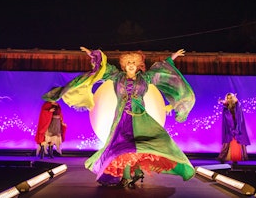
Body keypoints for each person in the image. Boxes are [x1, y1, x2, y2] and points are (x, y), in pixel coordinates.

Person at [42, 47, 196, 188]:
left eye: (133, 62)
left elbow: (162, 72)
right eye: (128, 62)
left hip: (141, 118)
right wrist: (93, 55)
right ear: (123, 65)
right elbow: (103, 66)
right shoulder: (117, 76)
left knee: (146, 145)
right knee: (123, 148)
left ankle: (136, 172)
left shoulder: (145, 78)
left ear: (137, 65)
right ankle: (128, 175)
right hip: (122, 119)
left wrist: (172, 58)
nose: (130, 64)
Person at [216, 93, 250, 163]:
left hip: (237, 127)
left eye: (230, 98)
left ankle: (235, 159)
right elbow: (227, 118)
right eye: (227, 98)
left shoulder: (237, 106)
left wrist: (236, 128)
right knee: (228, 142)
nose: (229, 99)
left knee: (237, 142)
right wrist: (225, 104)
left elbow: (239, 116)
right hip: (229, 128)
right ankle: (224, 158)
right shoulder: (226, 107)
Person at [35, 92, 67, 159]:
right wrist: (49, 111)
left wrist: (62, 122)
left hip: (57, 123)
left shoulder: (57, 104)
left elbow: (60, 114)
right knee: (46, 137)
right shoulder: (46, 104)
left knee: (54, 138)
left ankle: (50, 152)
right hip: (50, 122)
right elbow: (43, 113)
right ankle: (42, 152)